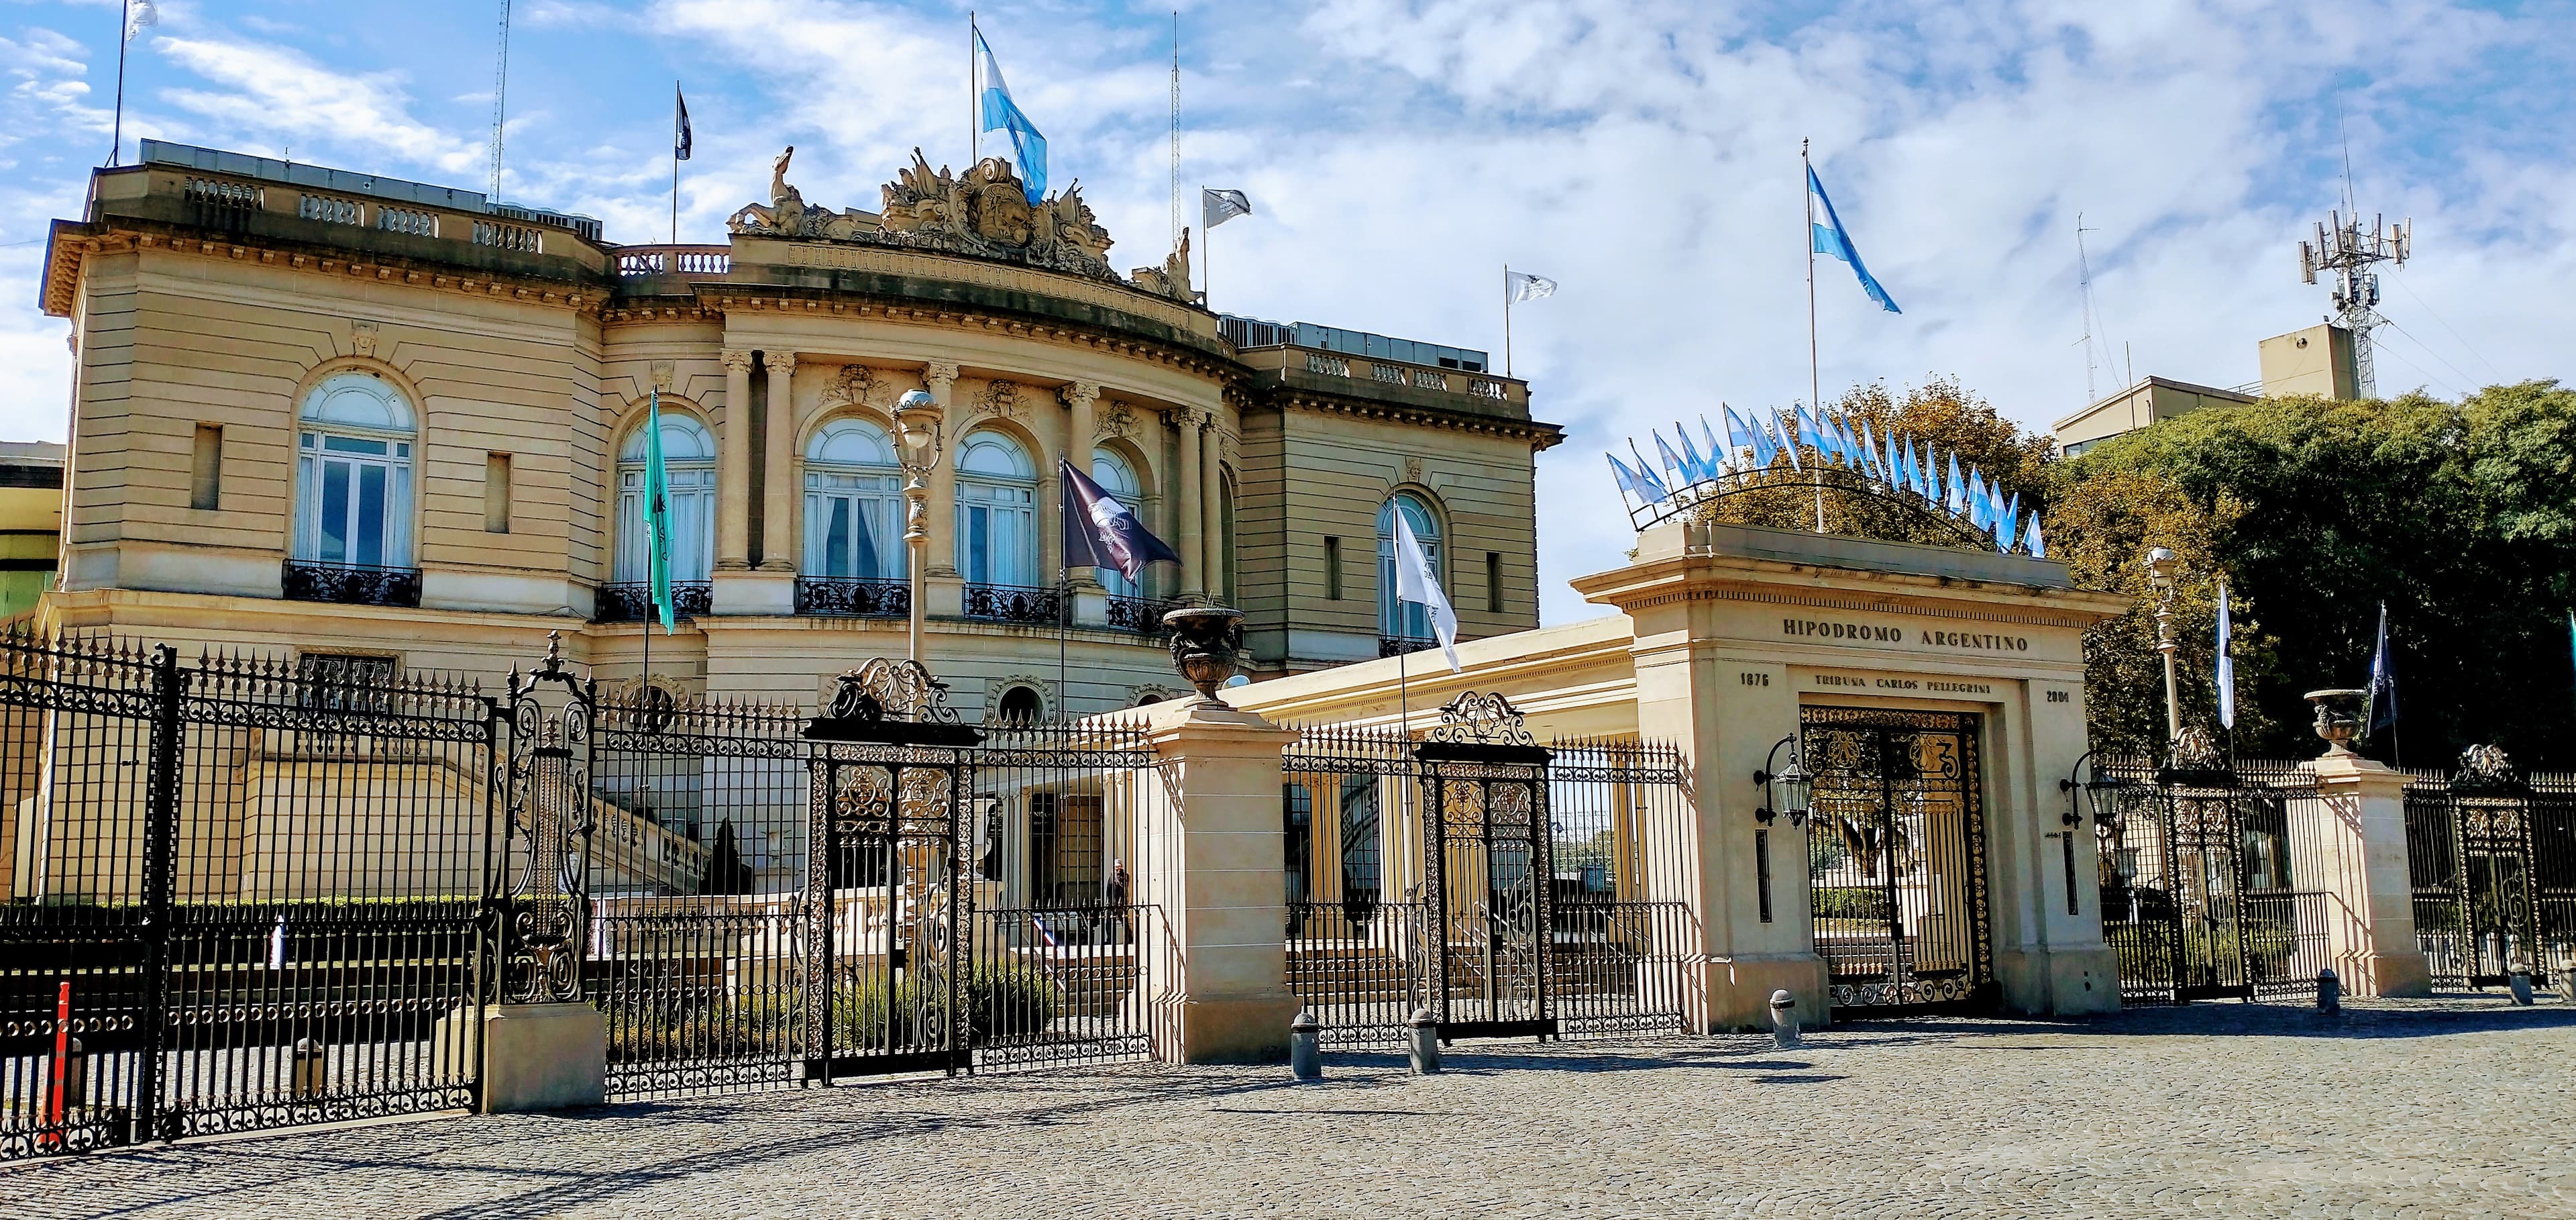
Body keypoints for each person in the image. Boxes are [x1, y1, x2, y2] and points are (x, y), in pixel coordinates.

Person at [1104, 858, 1132, 945]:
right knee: (1109, 921)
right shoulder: (1111, 877)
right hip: (1112, 902)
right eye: (1116, 867)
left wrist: (1119, 876)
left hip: (1121, 902)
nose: (1117, 869)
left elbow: (1124, 886)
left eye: (1119, 867)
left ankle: (1128, 938)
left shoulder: (1125, 876)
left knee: (1124, 920)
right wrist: (1108, 901)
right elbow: (1108, 889)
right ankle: (1110, 939)